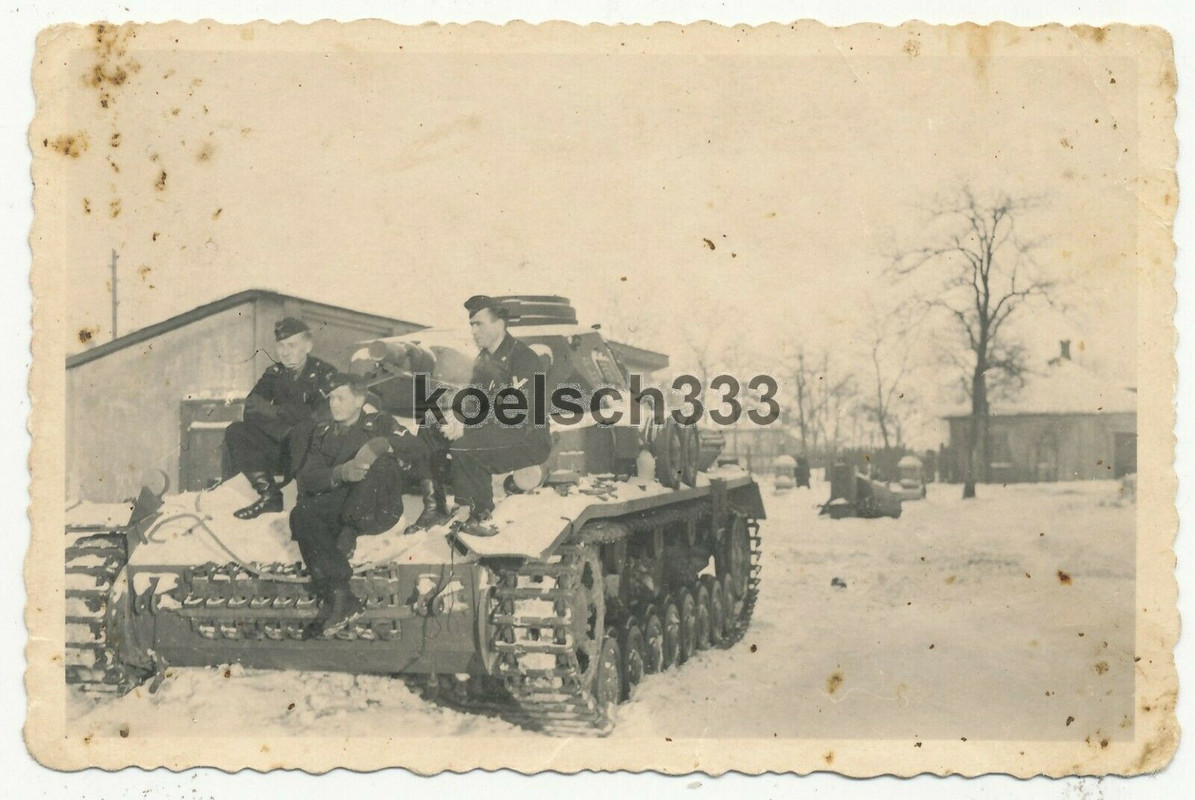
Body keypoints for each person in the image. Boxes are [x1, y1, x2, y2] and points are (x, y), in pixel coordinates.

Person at [289, 373, 431, 636]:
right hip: (343, 501)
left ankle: (349, 532)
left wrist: (382, 444)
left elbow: (418, 449)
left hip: (377, 505)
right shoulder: (323, 432)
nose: (334, 404)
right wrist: (340, 472)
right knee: (301, 513)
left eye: (341, 398)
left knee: (382, 464)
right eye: (331, 398)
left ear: (359, 399)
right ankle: (341, 597)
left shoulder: (379, 422)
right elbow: (306, 478)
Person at [423, 296, 552, 537]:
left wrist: (467, 427)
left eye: (478, 324)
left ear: (499, 324)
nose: (473, 330)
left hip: (527, 437)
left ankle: (477, 513)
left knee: (466, 446)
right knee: (429, 429)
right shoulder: (482, 359)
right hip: (494, 431)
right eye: (471, 324)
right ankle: (435, 508)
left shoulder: (523, 358)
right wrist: (456, 417)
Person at [224, 318, 337, 520]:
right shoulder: (274, 374)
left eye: (292, 345)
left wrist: (275, 411)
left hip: (310, 453)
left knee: (304, 429)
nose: (285, 352)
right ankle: (270, 496)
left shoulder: (324, 373)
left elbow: (319, 416)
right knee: (236, 430)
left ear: (308, 346)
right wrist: (284, 426)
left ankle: (305, 502)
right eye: (281, 346)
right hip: (282, 447)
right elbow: (251, 409)